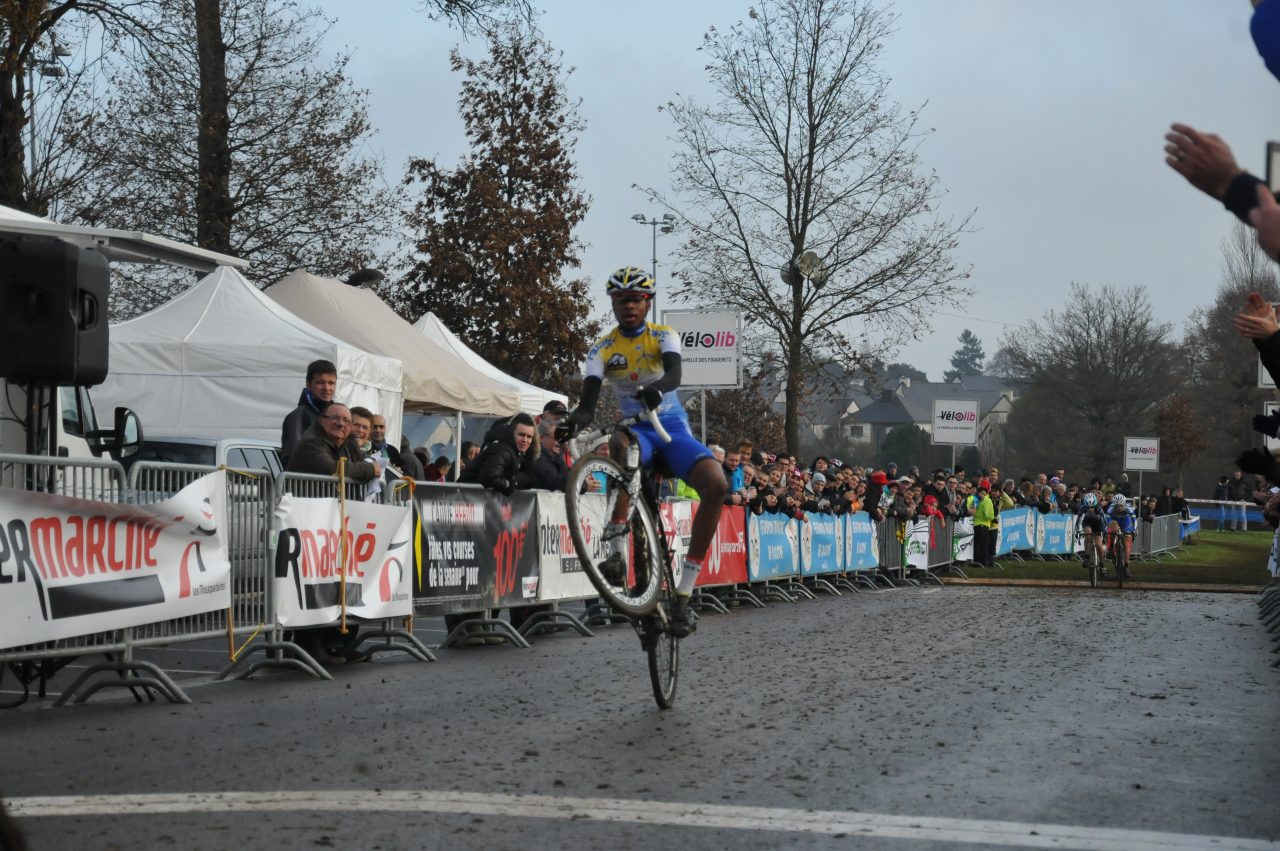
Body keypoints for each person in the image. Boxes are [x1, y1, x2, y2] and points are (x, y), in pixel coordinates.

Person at [557, 267, 728, 637]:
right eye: (621, 301)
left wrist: (658, 389)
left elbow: (674, 374)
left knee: (717, 485)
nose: (628, 306)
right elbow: (588, 405)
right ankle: (616, 551)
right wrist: (573, 420)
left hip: (672, 431)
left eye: (635, 300)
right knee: (621, 442)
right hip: (638, 432)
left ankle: (684, 592)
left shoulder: (663, 335)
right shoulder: (602, 349)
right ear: (614, 304)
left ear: (647, 302)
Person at [285, 402, 382, 664]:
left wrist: (365, 468)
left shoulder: (346, 442)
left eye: (346, 420)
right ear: (321, 420)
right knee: (314, 585)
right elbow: (335, 470)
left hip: (335, 524)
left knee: (342, 583)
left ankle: (337, 643)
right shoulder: (311, 443)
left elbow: (355, 464)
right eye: (335, 419)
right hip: (310, 524)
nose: (341, 424)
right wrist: (370, 470)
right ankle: (309, 646)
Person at [280, 359, 337, 467]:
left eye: (331, 383)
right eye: (320, 382)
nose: (326, 388)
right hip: (305, 482)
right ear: (308, 384)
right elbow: (296, 456)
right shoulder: (298, 417)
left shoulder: (337, 417)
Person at [1077, 491, 1107, 578]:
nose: (1090, 508)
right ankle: (1086, 556)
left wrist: (1104, 531)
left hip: (1097, 524)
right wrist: (1076, 530)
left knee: (1098, 544)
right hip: (1087, 523)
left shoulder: (1099, 509)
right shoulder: (1082, 508)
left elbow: (1104, 521)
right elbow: (1078, 520)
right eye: (1088, 507)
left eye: (1092, 507)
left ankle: (1101, 563)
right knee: (1088, 534)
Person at [1105, 492, 1138, 566]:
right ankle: (1111, 546)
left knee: (1126, 542)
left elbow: (1134, 520)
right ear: (1114, 505)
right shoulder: (1110, 509)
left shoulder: (1128, 508)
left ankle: (1126, 564)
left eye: (1121, 506)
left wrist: (1134, 530)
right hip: (1114, 520)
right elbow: (1107, 521)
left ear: (1124, 504)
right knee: (1113, 529)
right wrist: (1107, 530)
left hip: (1125, 522)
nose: (1119, 508)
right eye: (1117, 506)